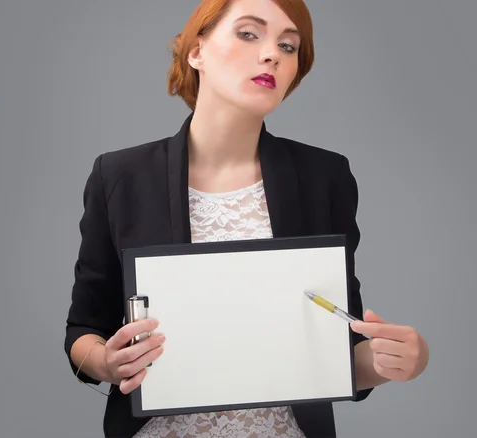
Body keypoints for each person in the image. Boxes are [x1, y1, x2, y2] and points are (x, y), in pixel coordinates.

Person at [63, 0, 430, 437]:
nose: (273, 54)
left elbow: (338, 351)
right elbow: (83, 331)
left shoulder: (323, 177)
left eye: (289, 46)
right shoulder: (119, 176)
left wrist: (399, 358)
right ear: (195, 52)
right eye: (249, 33)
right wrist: (106, 361)